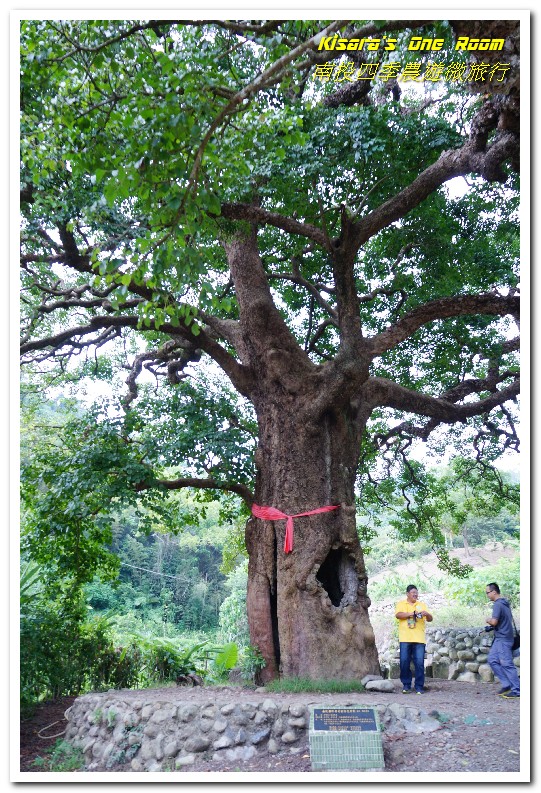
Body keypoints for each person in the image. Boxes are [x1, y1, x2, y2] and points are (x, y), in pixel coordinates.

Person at [395, 584, 433, 694]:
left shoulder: (422, 605)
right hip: (405, 638)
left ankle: (419, 686)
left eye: (416, 593)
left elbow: (430, 619)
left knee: (419, 663)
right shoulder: (401, 604)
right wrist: (412, 613)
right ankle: (406, 685)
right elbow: (398, 615)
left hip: (419, 639)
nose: (415, 594)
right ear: (407, 594)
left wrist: (427, 614)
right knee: (404, 662)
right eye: (413, 593)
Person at [485, 582, 520, 699]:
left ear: (494, 592)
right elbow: (502, 622)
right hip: (503, 637)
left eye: (488, 592)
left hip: (503, 639)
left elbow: (494, 621)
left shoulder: (498, 605)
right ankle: (507, 684)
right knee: (492, 660)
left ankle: (517, 690)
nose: (487, 595)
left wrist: (488, 620)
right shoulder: (505, 604)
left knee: (507, 664)